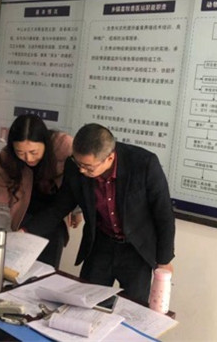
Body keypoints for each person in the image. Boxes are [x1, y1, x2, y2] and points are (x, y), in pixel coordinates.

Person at [24, 123, 175, 304]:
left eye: (88, 167)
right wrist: (26, 231)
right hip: (100, 244)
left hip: (136, 249)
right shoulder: (74, 166)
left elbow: (163, 214)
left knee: (132, 307)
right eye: (78, 163)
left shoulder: (144, 164)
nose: (81, 170)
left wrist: (164, 260)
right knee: (85, 301)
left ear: (109, 158)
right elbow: (59, 208)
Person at [0, 114, 82, 269]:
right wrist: (2, 238)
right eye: (20, 152)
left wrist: (77, 210)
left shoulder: (64, 147)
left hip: (54, 216)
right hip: (22, 215)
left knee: (46, 270)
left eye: (33, 152)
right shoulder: (7, 158)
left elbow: (79, 180)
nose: (28, 158)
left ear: (45, 143)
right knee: (15, 268)